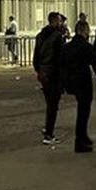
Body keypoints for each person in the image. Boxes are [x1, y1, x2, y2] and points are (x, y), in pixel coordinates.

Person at [64, 20, 96, 152]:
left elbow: (62, 66)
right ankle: (80, 141)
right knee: (83, 112)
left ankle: (83, 137)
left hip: (72, 82)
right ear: (84, 31)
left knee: (81, 110)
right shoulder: (86, 46)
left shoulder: (67, 47)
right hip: (84, 82)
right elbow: (95, 64)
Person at [33, 12, 65, 145]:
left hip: (43, 73)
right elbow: (60, 58)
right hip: (53, 74)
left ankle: (47, 128)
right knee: (53, 105)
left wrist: (40, 71)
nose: (61, 23)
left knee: (49, 103)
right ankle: (49, 134)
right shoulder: (57, 37)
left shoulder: (40, 36)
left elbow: (35, 58)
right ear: (55, 21)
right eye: (59, 21)